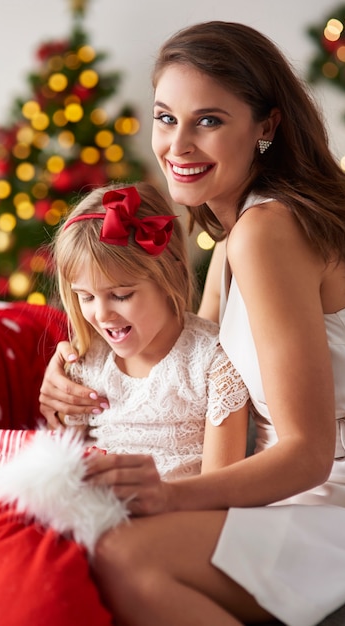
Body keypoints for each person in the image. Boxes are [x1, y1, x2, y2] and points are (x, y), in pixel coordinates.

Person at [39, 21, 345, 626]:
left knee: (121, 557)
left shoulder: (265, 232)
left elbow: (309, 453)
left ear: (266, 127)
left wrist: (166, 496)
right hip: (291, 493)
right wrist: (66, 369)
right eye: (166, 117)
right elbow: (182, 358)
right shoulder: (229, 244)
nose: (177, 145)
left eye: (209, 121)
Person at [51, 180, 249, 483]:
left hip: (178, 520)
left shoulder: (213, 365)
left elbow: (219, 490)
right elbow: (62, 467)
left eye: (121, 295)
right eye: (87, 297)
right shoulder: (88, 359)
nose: (102, 315)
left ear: (171, 273)